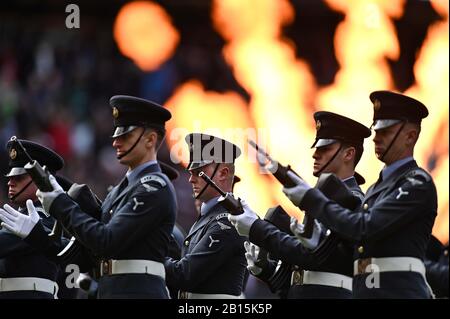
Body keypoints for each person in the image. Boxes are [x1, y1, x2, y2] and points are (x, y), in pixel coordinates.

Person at [278, 91, 437, 298]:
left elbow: (365, 227)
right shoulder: (375, 189)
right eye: (376, 131)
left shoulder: (416, 182)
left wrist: (311, 199)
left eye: (386, 132)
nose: (376, 139)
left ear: (410, 136)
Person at [34, 95, 177, 299]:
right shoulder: (121, 190)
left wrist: (61, 204)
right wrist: (35, 235)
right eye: (116, 135)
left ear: (150, 139)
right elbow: (88, 256)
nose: (116, 142)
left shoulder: (154, 187)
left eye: (125, 136)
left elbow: (107, 241)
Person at [229, 112, 371, 298]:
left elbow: (313, 257)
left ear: (349, 154)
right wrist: (265, 269)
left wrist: (257, 229)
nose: (315, 154)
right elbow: (302, 270)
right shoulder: (323, 199)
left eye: (325, 149)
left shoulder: (351, 201)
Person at [164, 133, 247, 299]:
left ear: (223, 173)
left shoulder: (228, 221)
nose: (191, 180)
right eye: (191, 172)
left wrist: (148, 255)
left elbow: (185, 274)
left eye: (199, 173)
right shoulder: (209, 216)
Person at [0, 139, 64, 299]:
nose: (10, 182)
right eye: (10, 176)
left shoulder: (44, 217)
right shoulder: (19, 216)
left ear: (41, 179)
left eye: (19, 177)